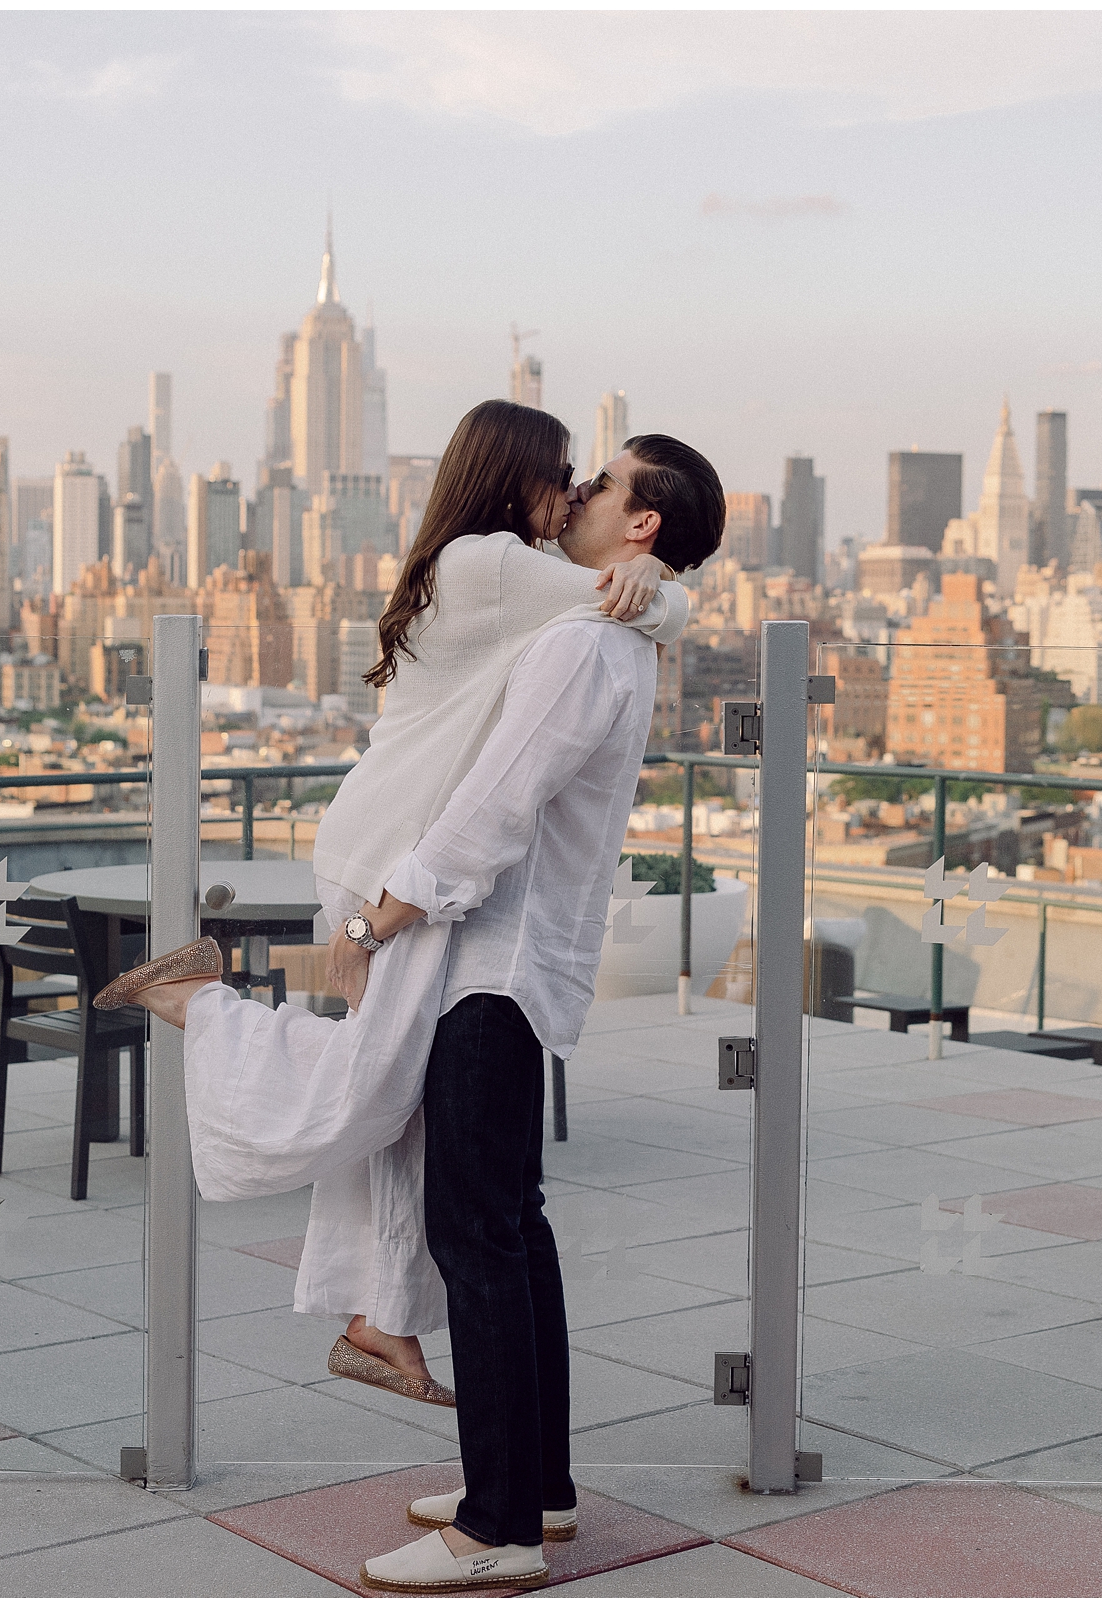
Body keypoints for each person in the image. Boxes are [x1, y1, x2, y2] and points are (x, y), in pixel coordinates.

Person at [93, 400, 693, 1405]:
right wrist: (653, 582)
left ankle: (376, 1321)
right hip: (391, 862)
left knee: (404, 1110)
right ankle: (202, 1006)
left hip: (391, 854)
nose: (574, 492)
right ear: (514, 476)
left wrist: (650, 581)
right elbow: (635, 611)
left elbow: (628, 611)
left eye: (593, 483)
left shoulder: (479, 563)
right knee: (374, 1092)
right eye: (564, 474)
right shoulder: (491, 564)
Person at [349, 434, 727, 1592]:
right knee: (514, 1226)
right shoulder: (609, 629)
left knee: (479, 1238)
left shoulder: (580, 644)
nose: (576, 495)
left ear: (643, 523)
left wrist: (377, 922)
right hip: (518, 965)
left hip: (492, 970)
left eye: (601, 484)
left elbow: (492, 810)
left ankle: (497, 1526)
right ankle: (539, 1489)